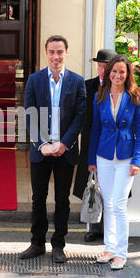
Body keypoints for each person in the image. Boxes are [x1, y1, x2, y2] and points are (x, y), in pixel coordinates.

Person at [20, 35, 86, 263]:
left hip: (65, 151)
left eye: (60, 52)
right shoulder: (34, 80)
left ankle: (59, 244)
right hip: (41, 151)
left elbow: (80, 116)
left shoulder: (77, 82)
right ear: (46, 53)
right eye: (51, 52)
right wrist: (43, 144)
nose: (56, 56)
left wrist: (63, 143)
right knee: (38, 198)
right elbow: (29, 114)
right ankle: (37, 243)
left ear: (66, 53)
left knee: (62, 199)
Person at [88, 54, 140, 270]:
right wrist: (92, 159)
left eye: (122, 71)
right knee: (109, 204)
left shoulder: (135, 96)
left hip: (126, 157)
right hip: (103, 157)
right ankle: (110, 247)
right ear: (108, 72)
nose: (118, 75)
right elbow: (95, 129)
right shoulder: (99, 95)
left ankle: (121, 252)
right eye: (114, 71)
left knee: (119, 205)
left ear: (127, 73)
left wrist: (137, 160)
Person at [73, 49, 117, 242]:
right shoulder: (87, 86)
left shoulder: (119, 86)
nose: (101, 69)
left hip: (112, 142)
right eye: (99, 65)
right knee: (92, 183)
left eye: (105, 66)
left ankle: (110, 228)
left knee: (111, 186)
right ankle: (93, 227)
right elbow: (80, 112)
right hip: (91, 139)